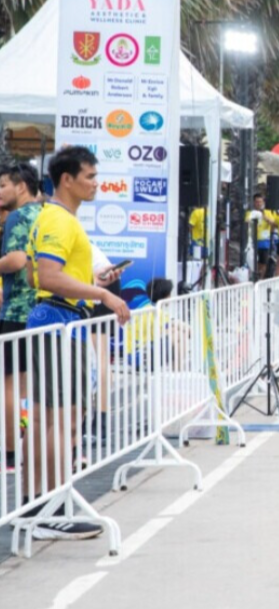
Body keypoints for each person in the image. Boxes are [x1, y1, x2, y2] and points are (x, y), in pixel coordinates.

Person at [23, 147, 131, 540]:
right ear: (66, 179)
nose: (95, 184)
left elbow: (50, 275)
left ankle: (42, 504)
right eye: (89, 176)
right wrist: (101, 295)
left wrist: (91, 286)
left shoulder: (60, 219)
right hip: (57, 321)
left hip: (62, 319)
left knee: (49, 419)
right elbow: (47, 276)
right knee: (62, 421)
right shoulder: (57, 219)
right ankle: (51, 507)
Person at [0, 163, 41, 473]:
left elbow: (16, 260)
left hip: (17, 310)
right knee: (28, 384)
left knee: (9, 385)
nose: (0, 194)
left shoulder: (18, 216)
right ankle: (30, 446)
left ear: (21, 187)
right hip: (42, 308)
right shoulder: (46, 214)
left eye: (3, 186)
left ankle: (11, 454)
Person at [247, 193, 276, 281]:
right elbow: (247, 222)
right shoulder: (250, 213)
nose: (259, 204)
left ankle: (261, 278)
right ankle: (253, 276)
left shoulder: (268, 212)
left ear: (263, 202)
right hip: (253, 241)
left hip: (264, 242)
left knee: (263, 261)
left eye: (260, 202)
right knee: (253, 260)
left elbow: (273, 224)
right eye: (257, 202)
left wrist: (265, 217)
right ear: (254, 203)